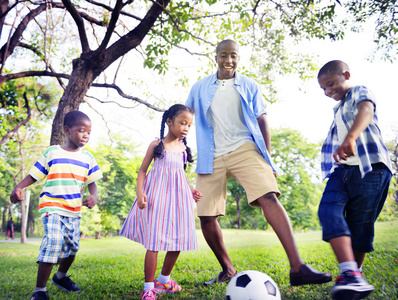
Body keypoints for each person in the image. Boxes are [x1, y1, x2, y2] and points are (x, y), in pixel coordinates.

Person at [185, 39, 332, 286]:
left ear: (239, 58)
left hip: (245, 148)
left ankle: (298, 268)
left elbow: (262, 121)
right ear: (216, 57)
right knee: (206, 216)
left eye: (233, 55)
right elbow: (186, 117)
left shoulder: (250, 85)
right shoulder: (199, 87)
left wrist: (268, 160)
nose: (228, 60)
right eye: (223, 55)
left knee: (269, 197)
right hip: (211, 154)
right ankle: (227, 269)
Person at [317, 60, 392, 300]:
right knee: (328, 211)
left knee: (360, 224)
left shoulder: (359, 90)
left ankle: (354, 275)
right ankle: (350, 273)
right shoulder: (337, 109)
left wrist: (351, 137)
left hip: (371, 167)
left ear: (346, 75)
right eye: (324, 89)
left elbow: (366, 111)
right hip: (342, 170)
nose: (328, 91)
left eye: (330, 84)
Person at [10, 110, 103, 300]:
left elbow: (93, 184)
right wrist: (19, 187)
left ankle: (60, 277)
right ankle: (40, 291)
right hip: (51, 207)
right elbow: (34, 175)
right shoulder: (52, 152)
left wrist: (93, 197)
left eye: (89, 132)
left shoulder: (88, 158)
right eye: (81, 131)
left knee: (72, 248)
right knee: (52, 242)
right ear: (68, 130)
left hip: (73, 210)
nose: (86, 135)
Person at [120, 104, 202, 300]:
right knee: (154, 241)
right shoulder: (156, 145)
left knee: (179, 239)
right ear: (169, 122)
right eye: (183, 123)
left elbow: (179, 174)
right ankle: (148, 288)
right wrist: (140, 193)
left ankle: (164, 280)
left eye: (190, 125)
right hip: (157, 198)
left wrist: (190, 191)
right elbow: (142, 171)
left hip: (178, 200)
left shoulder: (183, 148)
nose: (186, 128)